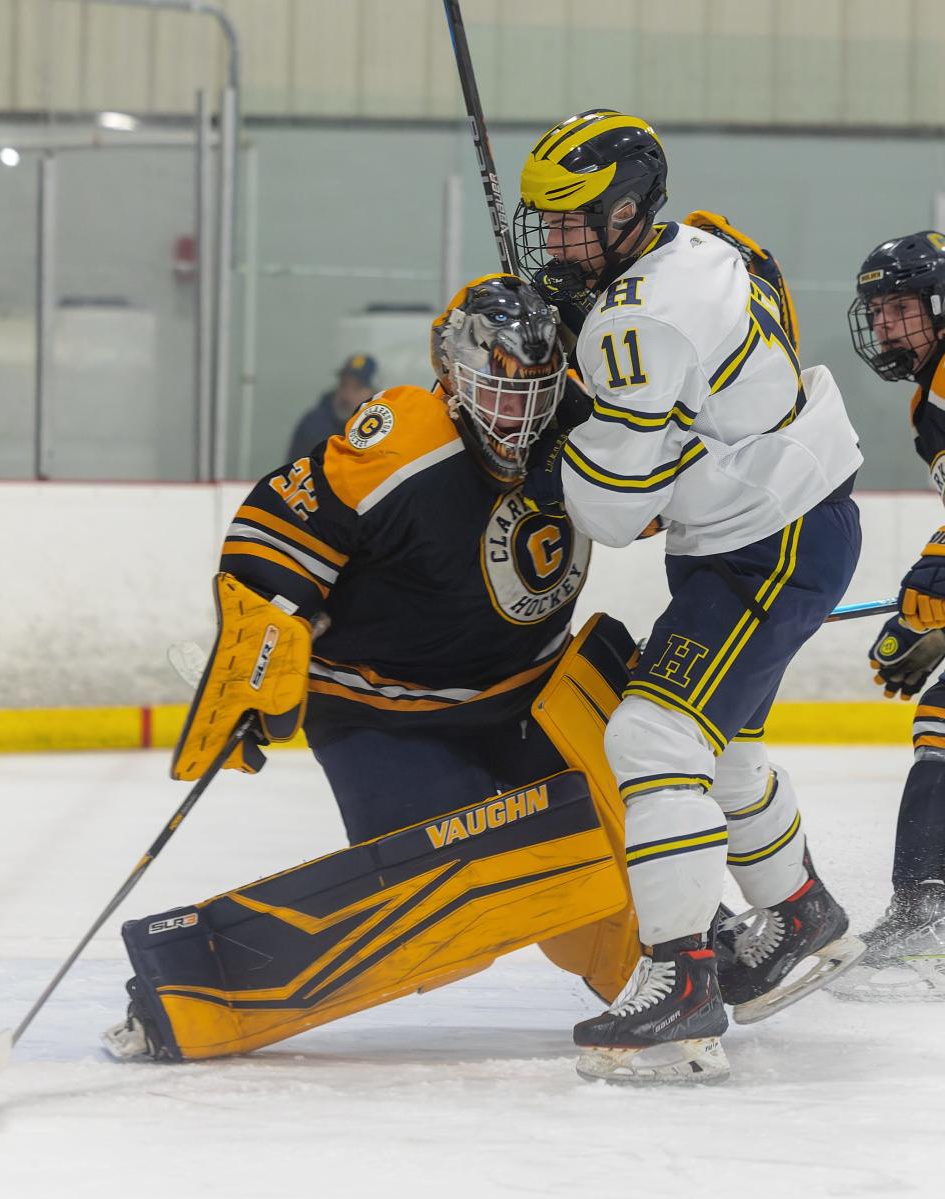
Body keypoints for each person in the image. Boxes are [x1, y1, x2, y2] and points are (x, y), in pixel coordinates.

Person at [103, 275, 646, 1064]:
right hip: (384, 714)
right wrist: (263, 644)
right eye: (497, 391)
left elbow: (678, 497)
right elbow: (271, 533)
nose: (517, 414)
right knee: (464, 899)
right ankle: (195, 986)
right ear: (453, 375)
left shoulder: (582, 425)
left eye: (532, 392)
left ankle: (684, 957)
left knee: (640, 816)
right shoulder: (403, 438)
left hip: (531, 693)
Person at [513, 109, 866, 1083]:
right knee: (723, 747)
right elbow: (760, 327)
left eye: (577, 220)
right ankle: (801, 916)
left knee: (652, 738)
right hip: (784, 518)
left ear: (630, 210)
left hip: (765, 542)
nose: (559, 240)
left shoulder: (636, 322)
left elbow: (614, 510)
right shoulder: (706, 241)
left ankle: (681, 982)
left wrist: (562, 428)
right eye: (549, 220)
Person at [831, 231, 945, 1000]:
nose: (884, 328)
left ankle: (925, 916)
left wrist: (932, 579)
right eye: (877, 312)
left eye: (900, 308)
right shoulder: (929, 391)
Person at [286, 353, 378, 459]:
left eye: (357, 388)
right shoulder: (313, 423)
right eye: (343, 384)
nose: (347, 395)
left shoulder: (384, 429)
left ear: (374, 393)